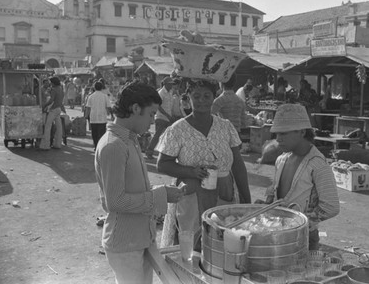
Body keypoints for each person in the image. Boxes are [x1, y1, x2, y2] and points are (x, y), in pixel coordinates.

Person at [94, 81, 185, 284]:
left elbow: (132, 190)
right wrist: (160, 195)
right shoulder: (114, 146)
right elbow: (115, 202)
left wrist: (163, 192)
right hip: (125, 244)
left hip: (139, 239)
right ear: (135, 109)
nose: (153, 121)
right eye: (151, 114)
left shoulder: (129, 140)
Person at [157, 79, 251, 249]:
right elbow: (162, 164)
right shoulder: (177, 129)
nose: (201, 100)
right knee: (193, 244)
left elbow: (238, 164)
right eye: (196, 96)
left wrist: (247, 199)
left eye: (206, 96)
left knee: (224, 240)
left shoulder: (225, 127)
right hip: (192, 194)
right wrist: (191, 172)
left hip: (224, 191)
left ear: (214, 97)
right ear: (188, 98)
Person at [256, 104, 340, 250]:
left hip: (304, 237)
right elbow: (278, 196)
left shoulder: (317, 165)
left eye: (284, 134)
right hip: (277, 232)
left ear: (301, 132)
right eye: (277, 134)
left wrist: (298, 220)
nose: (278, 139)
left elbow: (331, 207)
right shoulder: (281, 160)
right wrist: (267, 205)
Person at [145, 76, 175, 160]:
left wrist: (170, 115)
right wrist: (167, 115)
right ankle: (149, 152)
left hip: (168, 117)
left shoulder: (170, 92)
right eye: (170, 84)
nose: (171, 86)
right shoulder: (161, 93)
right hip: (161, 117)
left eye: (172, 84)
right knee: (157, 135)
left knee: (169, 136)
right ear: (165, 84)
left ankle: (166, 153)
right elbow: (158, 106)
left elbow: (170, 106)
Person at [39, 76, 66, 151]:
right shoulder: (60, 89)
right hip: (58, 109)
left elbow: (51, 100)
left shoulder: (54, 90)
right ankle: (57, 144)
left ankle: (45, 145)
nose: (50, 84)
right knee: (59, 127)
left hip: (53, 109)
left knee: (47, 127)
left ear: (53, 83)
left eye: (51, 82)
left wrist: (44, 105)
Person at [84, 81, 113, 151]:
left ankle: (96, 146)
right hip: (102, 118)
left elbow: (88, 108)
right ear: (102, 88)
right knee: (102, 134)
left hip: (93, 118)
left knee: (94, 133)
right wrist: (112, 115)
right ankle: (101, 146)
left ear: (94, 87)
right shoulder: (105, 96)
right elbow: (109, 107)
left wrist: (85, 116)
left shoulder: (91, 96)